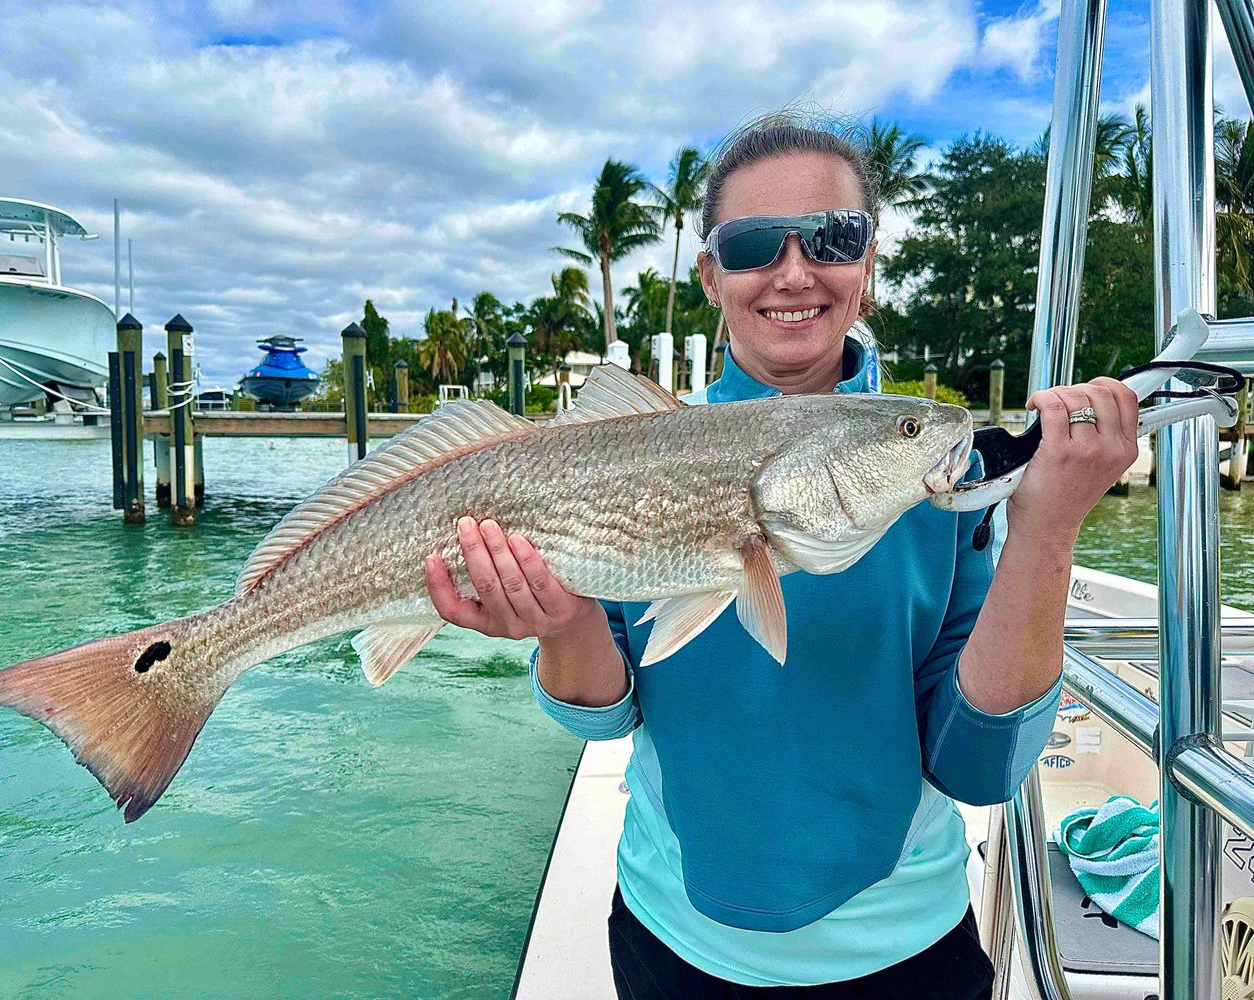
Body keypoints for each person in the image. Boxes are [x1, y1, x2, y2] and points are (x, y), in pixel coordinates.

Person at [423, 114, 1140, 999]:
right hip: (673, 939)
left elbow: (977, 766)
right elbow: (604, 721)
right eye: (755, 243)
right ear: (710, 274)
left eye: (833, 238)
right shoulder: (621, 447)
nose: (794, 272)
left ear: (867, 262)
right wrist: (563, 623)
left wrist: (1047, 529)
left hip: (905, 948)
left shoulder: (933, 481)